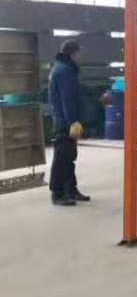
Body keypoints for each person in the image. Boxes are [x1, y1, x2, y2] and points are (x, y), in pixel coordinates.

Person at [48, 39, 90, 206]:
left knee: (69, 157)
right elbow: (67, 98)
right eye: (78, 52)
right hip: (64, 121)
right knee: (62, 158)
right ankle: (57, 193)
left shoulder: (61, 67)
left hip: (63, 119)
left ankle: (70, 190)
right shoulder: (64, 70)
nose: (80, 55)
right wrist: (72, 121)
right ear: (73, 53)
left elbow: (76, 89)